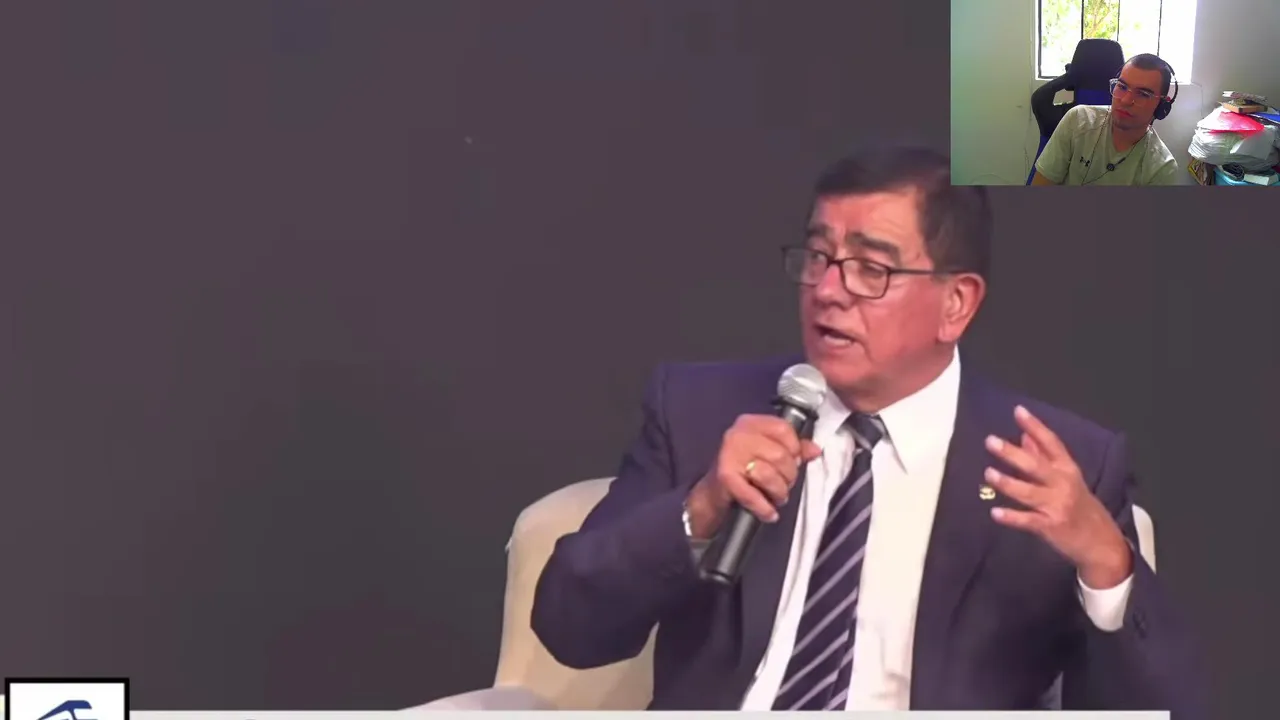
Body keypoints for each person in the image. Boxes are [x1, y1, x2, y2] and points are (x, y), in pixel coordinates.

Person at [530, 145, 1206, 715]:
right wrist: (699, 509)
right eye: (818, 257)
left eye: (871, 269)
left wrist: (1106, 563)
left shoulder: (1053, 464)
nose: (828, 290)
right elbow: (569, 630)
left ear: (956, 303)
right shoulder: (700, 412)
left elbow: (1161, 710)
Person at [1032, 53, 1180, 186]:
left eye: (1143, 94)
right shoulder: (1078, 121)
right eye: (1122, 87)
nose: (1125, 100)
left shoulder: (1161, 169)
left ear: (1161, 106)